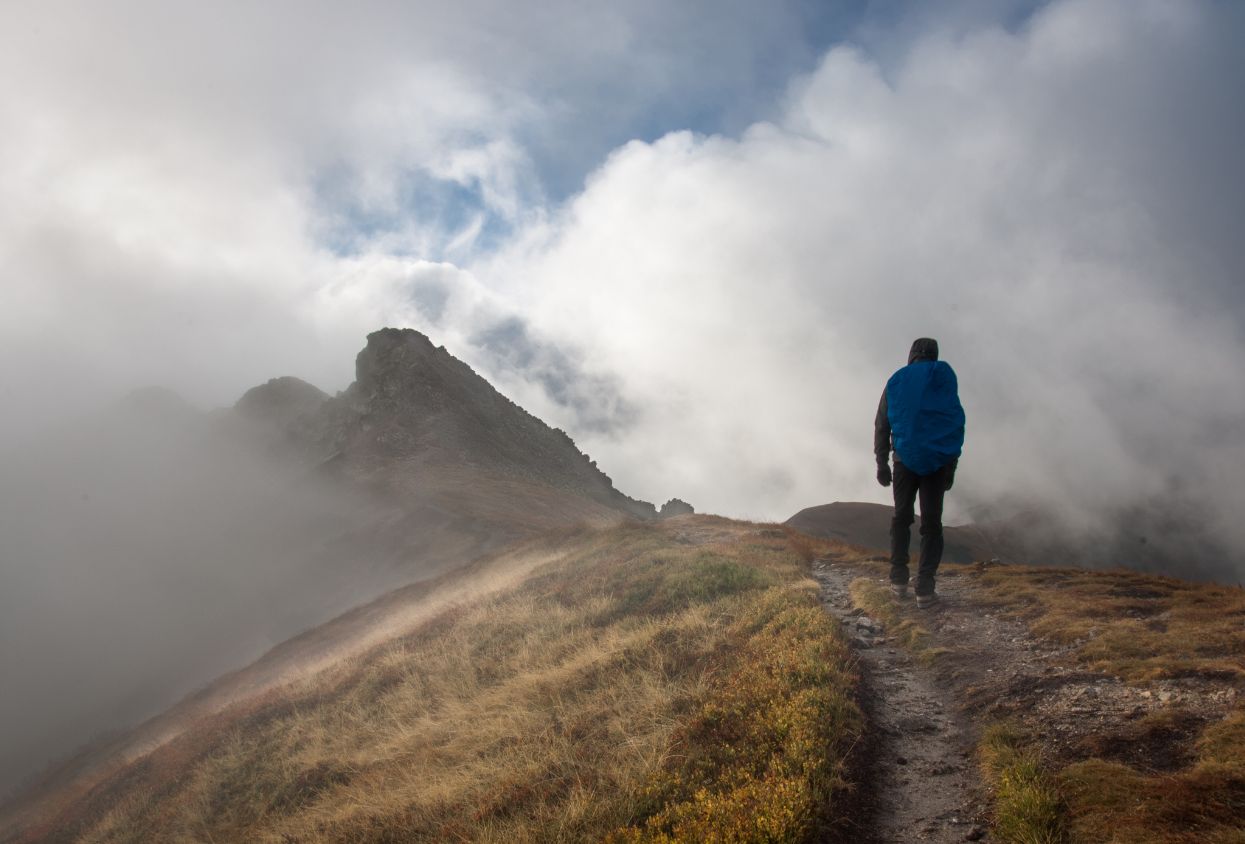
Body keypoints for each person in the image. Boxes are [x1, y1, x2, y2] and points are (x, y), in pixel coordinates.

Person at [874, 338, 965, 608]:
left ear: (911, 355)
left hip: (904, 461)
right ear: (934, 355)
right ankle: (925, 589)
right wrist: (950, 467)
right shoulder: (944, 377)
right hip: (937, 463)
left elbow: (882, 423)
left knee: (901, 518)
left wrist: (882, 462)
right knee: (932, 525)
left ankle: (898, 579)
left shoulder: (897, 380)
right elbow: (954, 422)